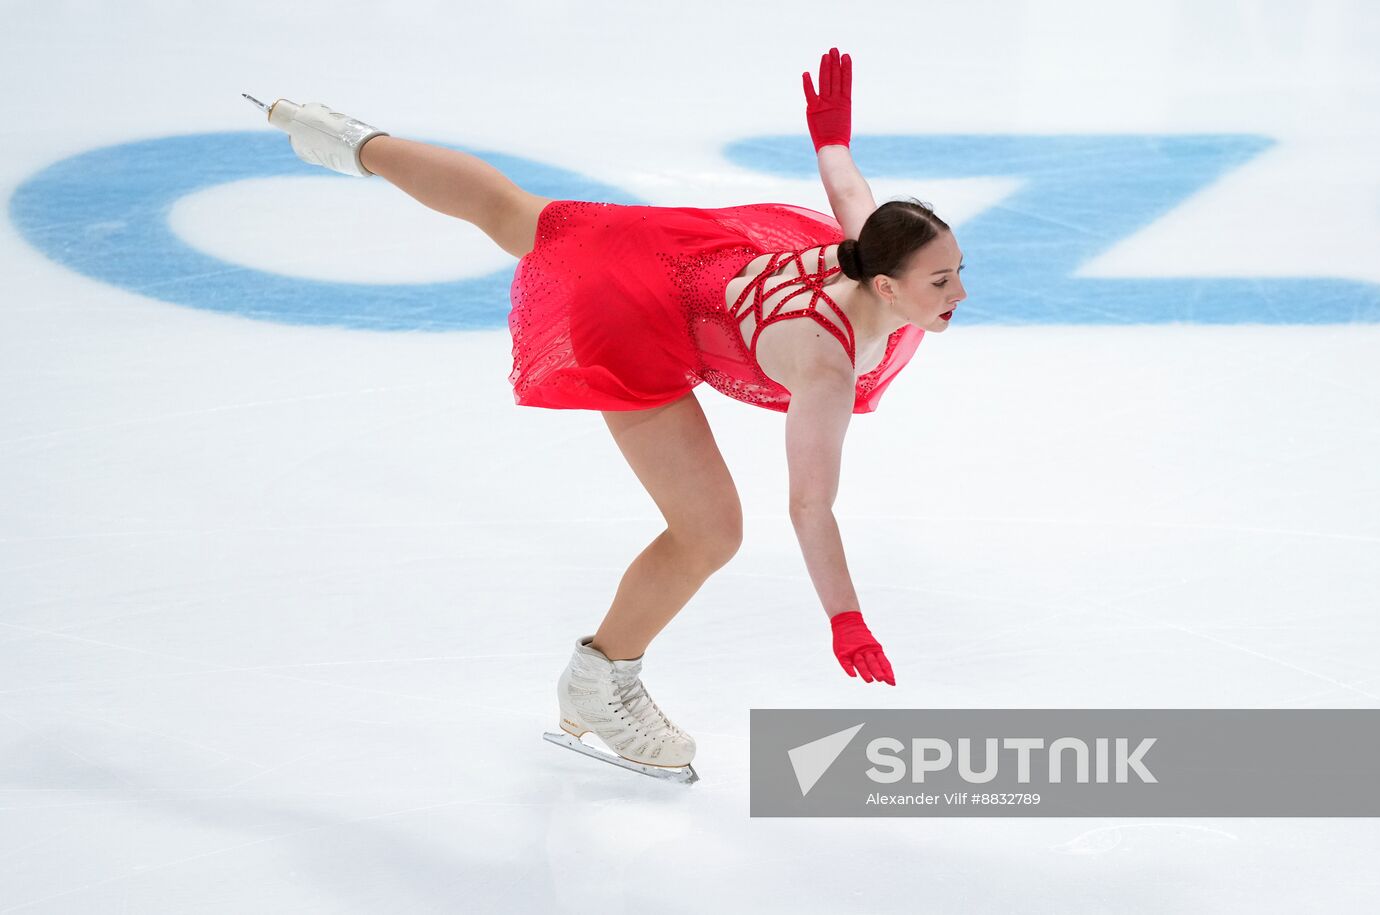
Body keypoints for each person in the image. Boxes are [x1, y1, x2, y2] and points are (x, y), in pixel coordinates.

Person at [247, 46, 967, 784]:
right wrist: (846, 618)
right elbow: (811, 505)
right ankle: (599, 680)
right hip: (635, 313)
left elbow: (848, 186)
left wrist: (831, 139)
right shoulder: (823, 367)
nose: (958, 294)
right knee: (710, 531)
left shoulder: (870, 243)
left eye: (957, 271)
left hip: (678, 258)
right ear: (882, 284)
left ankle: (348, 140)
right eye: (941, 281)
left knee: (511, 213)